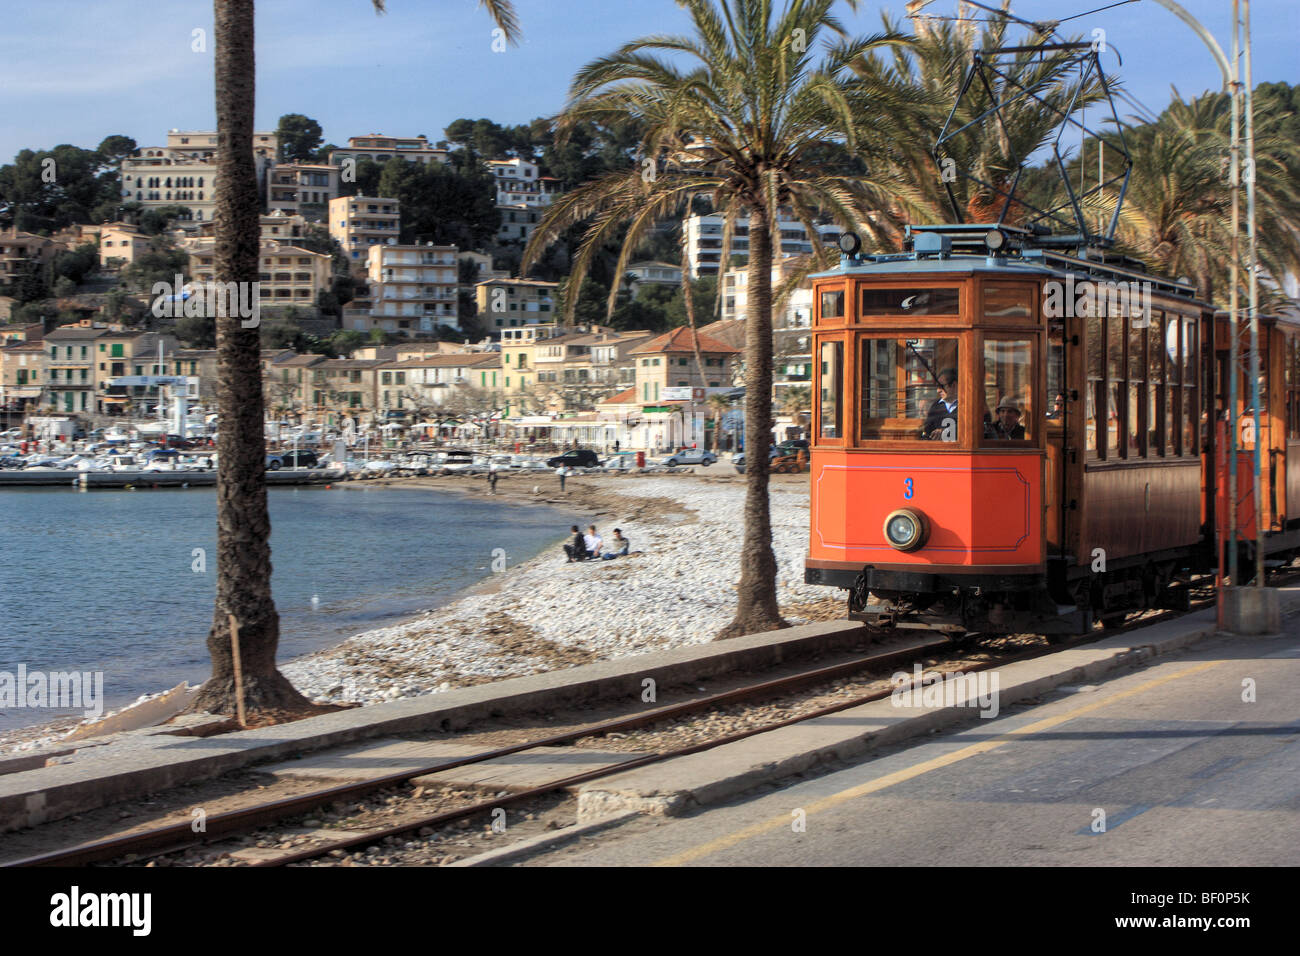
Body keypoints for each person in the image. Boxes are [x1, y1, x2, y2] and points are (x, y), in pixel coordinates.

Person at [921, 368, 958, 439]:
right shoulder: (936, 406)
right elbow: (927, 431)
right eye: (937, 387)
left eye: (941, 386)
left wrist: (945, 432)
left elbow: (968, 429)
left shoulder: (965, 405)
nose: (938, 390)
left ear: (954, 385)